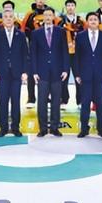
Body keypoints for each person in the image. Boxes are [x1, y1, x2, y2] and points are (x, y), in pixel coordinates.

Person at [30, 7, 69, 137]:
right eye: (45, 15)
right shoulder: (36, 33)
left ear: (53, 17)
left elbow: (64, 51)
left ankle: (54, 128)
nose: (47, 17)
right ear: (43, 17)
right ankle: (42, 128)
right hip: (42, 72)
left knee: (56, 101)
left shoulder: (60, 32)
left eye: (50, 15)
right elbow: (33, 54)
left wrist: (65, 69)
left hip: (57, 71)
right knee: (41, 101)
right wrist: (34, 71)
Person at [0, 9, 28, 137]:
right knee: (3, 101)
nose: (8, 19)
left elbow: (25, 54)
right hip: (2, 74)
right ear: (2, 19)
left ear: (14, 19)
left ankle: (15, 127)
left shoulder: (21, 35)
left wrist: (25, 71)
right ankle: (3, 128)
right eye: (6, 16)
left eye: (10, 16)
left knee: (16, 101)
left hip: (17, 74)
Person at [75, 12, 102, 138]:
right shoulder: (80, 36)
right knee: (85, 103)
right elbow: (77, 56)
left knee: (100, 103)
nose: (93, 21)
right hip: (85, 75)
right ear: (87, 22)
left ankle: (101, 129)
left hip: (100, 75)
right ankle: (84, 129)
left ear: (98, 22)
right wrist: (77, 74)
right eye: (91, 19)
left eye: (95, 19)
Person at [21, 0, 49, 108]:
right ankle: (31, 98)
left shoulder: (49, 13)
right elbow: (24, 28)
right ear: (35, 0)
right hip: (33, 47)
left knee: (46, 73)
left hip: (47, 48)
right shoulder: (30, 14)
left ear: (45, 0)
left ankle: (46, 97)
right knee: (32, 72)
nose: (40, 1)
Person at [58, 0, 86, 109]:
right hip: (64, 53)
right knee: (63, 77)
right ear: (66, 7)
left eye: (72, 5)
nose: (70, 7)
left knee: (79, 76)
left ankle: (80, 101)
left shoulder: (81, 22)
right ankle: (64, 100)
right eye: (68, 5)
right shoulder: (60, 22)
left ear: (75, 7)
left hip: (78, 54)